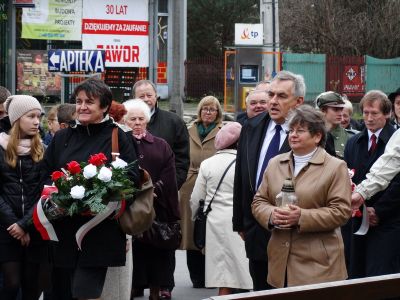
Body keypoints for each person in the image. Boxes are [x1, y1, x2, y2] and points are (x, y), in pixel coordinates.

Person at [41, 78, 140, 300]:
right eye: (79, 101)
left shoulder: (119, 137)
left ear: (104, 106)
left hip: (99, 232)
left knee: (85, 292)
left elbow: (132, 182)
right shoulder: (62, 137)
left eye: (90, 102)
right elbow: (45, 174)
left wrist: (103, 198)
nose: (82, 107)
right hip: (63, 231)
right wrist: (59, 196)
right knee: (62, 293)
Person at [252, 105, 352, 288]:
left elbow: (341, 212)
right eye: (291, 130)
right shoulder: (275, 163)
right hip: (279, 263)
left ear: (317, 136)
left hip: (319, 265)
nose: (293, 135)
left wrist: (301, 217)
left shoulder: (336, 167)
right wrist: (272, 214)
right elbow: (259, 201)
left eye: (300, 131)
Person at [233, 70, 305, 291]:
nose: (272, 101)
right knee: (261, 291)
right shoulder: (251, 127)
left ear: (298, 101)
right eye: (271, 94)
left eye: (281, 96)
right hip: (256, 229)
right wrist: (240, 222)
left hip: (293, 234)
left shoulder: (312, 133)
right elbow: (241, 177)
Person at [132, 79, 189, 299]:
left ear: (156, 96)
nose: (145, 99)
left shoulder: (173, 122)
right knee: (138, 243)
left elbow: (182, 159)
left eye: (149, 94)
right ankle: (138, 283)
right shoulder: (124, 125)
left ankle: (163, 285)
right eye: (141, 95)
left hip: (164, 196)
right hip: (135, 198)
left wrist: (170, 186)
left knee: (163, 240)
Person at [123, 99, 180, 300]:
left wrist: (153, 191)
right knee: (135, 251)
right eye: (132, 119)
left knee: (158, 250)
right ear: (125, 120)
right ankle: (134, 286)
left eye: (141, 118)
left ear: (147, 121)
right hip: (130, 207)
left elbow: (169, 173)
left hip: (159, 206)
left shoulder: (161, 145)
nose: (137, 123)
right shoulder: (121, 143)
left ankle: (158, 288)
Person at [190, 122, 252, 295]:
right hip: (241, 222)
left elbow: (196, 198)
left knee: (223, 272)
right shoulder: (246, 163)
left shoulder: (207, 164)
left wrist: (195, 217)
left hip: (214, 221)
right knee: (244, 269)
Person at [0, 95, 49, 299]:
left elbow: (45, 191)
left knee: (33, 286)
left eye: (39, 116)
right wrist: (14, 224)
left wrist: (25, 224)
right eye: (31, 116)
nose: (37, 121)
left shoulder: (43, 150)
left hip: (35, 227)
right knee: (11, 284)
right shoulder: (1, 148)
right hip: (6, 228)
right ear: (17, 118)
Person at [343, 90, 395, 278]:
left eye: (375, 113)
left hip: (388, 222)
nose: (369, 118)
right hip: (357, 218)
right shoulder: (354, 142)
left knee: (380, 275)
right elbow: (348, 177)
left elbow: (396, 182)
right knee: (356, 273)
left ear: (387, 114)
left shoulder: (393, 141)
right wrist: (358, 209)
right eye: (365, 113)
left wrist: (378, 211)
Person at [180, 95, 223, 289]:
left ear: (217, 113)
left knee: (210, 230)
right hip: (190, 184)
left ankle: (211, 275)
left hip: (214, 184)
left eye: (212, 109)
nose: (208, 112)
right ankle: (196, 276)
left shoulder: (223, 131)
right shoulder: (188, 130)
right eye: (205, 108)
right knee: (190, 230)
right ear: (199, 111)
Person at [316, 91, 354, 159]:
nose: (340, 113)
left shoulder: (351, 138)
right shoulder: (312, 136)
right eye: (336, 109)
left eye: (341, 109)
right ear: (323, 110)